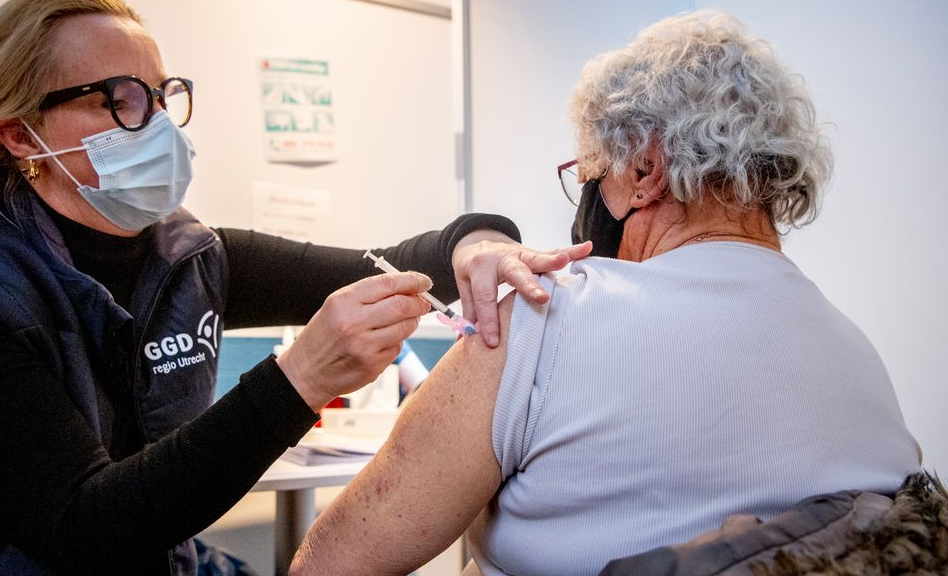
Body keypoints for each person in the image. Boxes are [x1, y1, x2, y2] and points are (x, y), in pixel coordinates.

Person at [0, 1, 592, 574]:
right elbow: (86, 527)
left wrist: (480, 244)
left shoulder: (188, 255)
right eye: (119, 100)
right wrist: (300, 379)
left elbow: (393, 263)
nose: (157, 125)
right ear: (21, 135)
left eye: (160, 95)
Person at [289, 10, 923, 576]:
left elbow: (330, 565)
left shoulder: (544, 319)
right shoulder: (858, 357)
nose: (586, 193)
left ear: (645, 170)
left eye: (589, 169)